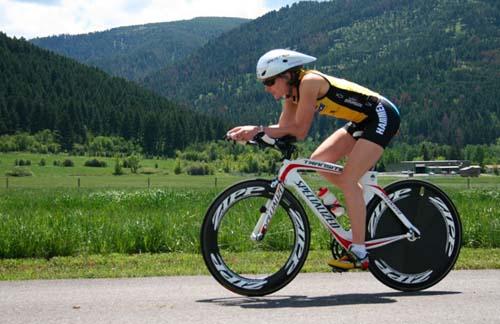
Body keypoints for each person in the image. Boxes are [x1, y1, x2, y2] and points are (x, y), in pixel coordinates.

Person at [227, 49, 400, 270]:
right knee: (320, 160)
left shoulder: (309, 82)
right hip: (362, 121)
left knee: (348, 179)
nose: (267, 88)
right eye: (264, 83)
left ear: (287, 75)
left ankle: (360, 251)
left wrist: (258, 129)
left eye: (270, 81)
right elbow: (287, 131)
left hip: (381, 115)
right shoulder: (292, 96)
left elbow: (300, 129)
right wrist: (255, 136)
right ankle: (354, 203)